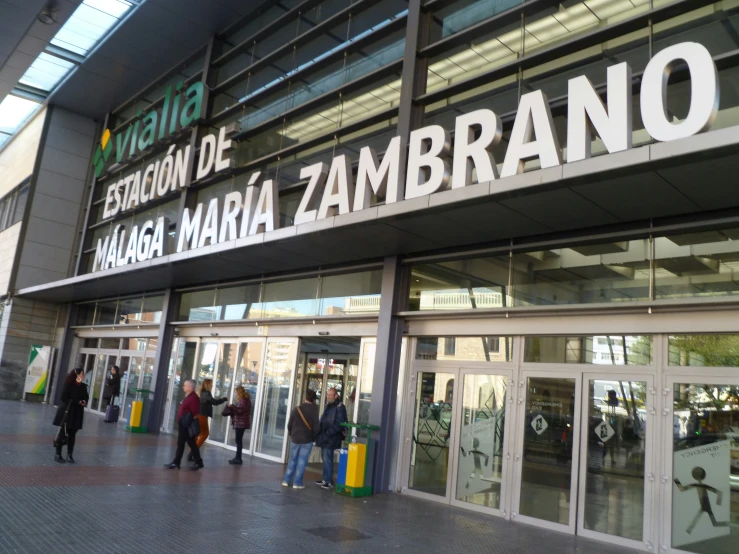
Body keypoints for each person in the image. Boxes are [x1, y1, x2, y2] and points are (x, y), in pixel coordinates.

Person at [282, 389, 319, 489]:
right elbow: (316, 426)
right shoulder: (314, 410)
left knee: (292, 459)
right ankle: (297, 483)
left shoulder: (297, 409)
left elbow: (289, 424)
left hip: (295, 438)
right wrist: (314, 437)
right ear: (314, 400)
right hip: (307, 439)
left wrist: (291, 434)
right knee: (302, 461)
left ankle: (286, 480)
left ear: (305, 398)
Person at [164, 379, 203, 470]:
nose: (183, 387)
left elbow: (195, 411)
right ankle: (198, 462)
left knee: (182, 443)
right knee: (190, 443)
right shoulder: (188, 396)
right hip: (183, 423)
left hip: (186, 424)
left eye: (185, 385)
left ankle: (177, 462)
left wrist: (186, 420)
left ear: (191, 387)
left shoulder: (194, 398)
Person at [52, 368, 89, 464]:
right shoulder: (68, 385)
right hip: (67, 412)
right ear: (77, 375)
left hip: (77, 413)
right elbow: (64, 397)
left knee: (72, 434)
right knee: (63, 433)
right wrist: (77, 401)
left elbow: (86, 396)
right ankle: (58, 454)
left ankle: (69, 455)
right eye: (82, 374)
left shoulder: (83, 386)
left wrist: (84, 401)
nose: (83, 376)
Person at [314, 387, 347, 489]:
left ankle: (329, 481)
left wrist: (328, 432)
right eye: (327, 395)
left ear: (336, 395)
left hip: (331, 437)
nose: (328, 397)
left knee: (328, 459)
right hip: (325, 436)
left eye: (330, 395)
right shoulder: (329, 406)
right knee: (325, 458)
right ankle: (325, 479)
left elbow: (339, 423)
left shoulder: (340, 407)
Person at [227, 386, 252, 465]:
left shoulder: (244, 401)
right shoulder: (245, 400)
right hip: (242, 422)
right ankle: (237, 457)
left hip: (241, 423)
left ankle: (238, 458)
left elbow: (240, 411)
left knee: (238, 440)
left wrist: (232, 407)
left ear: (239, 392)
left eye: (236, 392)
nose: (235, 394)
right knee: (238, 440)